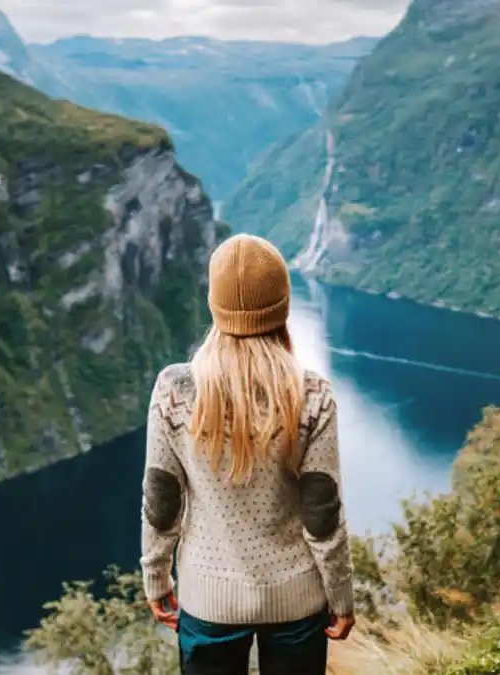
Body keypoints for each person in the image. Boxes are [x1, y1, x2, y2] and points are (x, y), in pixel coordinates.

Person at [139, 233, 356, 675]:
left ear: (214, 304)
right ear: (283, 304)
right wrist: (341, 595)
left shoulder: (175, 391)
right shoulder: (312, 395)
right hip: (296, 599)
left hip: (208, 599)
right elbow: (322, 514)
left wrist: (156, 576)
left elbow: (162, 501)